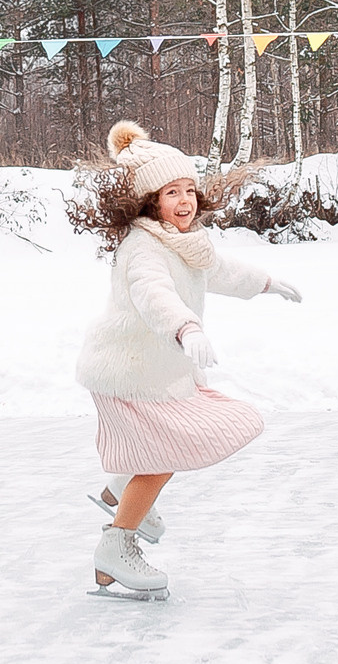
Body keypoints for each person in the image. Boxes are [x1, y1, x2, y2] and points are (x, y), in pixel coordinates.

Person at [71, 120, 302, 600]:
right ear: (150, 200)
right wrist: (186, 327)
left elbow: (220, 270)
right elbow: (153, 294)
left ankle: (121, 490)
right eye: (171, 192)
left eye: (189, 190)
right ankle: (116, 545)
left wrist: (265, 283)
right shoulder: (143, 248)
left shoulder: (184, 241)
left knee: (171, 449)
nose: (184, 201)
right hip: (127, 373)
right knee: (165, 455)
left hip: (155, 373)